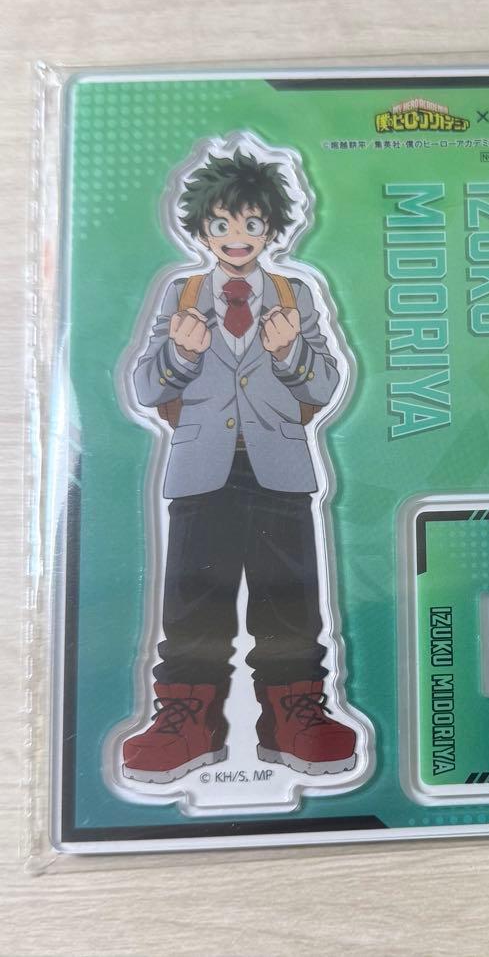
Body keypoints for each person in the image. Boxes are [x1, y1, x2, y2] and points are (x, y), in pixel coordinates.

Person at [122, 146, 357, 783]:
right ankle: (188, 719)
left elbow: (324, 385)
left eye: (253, 223)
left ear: (272, 228)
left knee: (289, 596)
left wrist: (289, 354)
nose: (237, 236)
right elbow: (145, 387)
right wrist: (179, 356)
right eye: (222, 223)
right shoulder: (180, 294)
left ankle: (294, 715)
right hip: (202, 472)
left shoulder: (293, 293)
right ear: (200, 229)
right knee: (195, 598)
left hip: (278, 469)